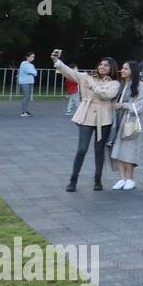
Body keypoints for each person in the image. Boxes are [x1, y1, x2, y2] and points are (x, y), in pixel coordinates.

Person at [49, 49, 121, 192]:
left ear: (112, 68)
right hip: (86, 114)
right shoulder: (86, 77)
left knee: (99, 150)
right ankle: (73, 179)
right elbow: (69, 72)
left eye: (106, 65)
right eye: (100, 65)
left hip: (104, 117)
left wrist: (93, 86)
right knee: (82, 149)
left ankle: (98, 179)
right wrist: (56, 61)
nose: (102, 67)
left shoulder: (115, 83)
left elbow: (108, 95)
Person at [107, 61, 143, 190]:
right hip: (118, 120)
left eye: (125, 69)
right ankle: (122, 178)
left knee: (128, 149)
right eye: (122, 68)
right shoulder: (121, 85)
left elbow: (142, 104)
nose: (122, 70)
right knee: (117, 149)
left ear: (132, 71)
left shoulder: (139, 85)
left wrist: (124, 105)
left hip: (130, 121)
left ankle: (130, 179)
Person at [18, 51, 36, 116]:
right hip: (24, 81)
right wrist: (32, 72)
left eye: (33, 57)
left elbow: (35, 73)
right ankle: (23, 112)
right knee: (26, 96)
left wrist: (32, 72)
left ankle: (25, 110)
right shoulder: (23, 63)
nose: (32, 58)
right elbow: (28, 71)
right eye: (31, 57)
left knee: (28, 96)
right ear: (27, 57)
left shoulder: (32, 65)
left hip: (30, 81)